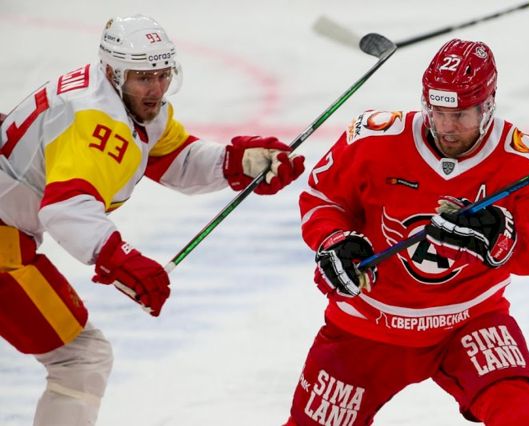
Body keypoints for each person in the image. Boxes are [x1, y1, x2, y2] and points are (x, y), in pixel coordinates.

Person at [0, 14, 304, 426]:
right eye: (144, 77)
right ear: (114, 72)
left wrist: (239, 162)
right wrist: (120, 258)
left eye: (163, 75)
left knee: (82, 357)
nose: (156, 89)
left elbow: (174, 158)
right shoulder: (96, 121)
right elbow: (65, 207)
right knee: (81, 359)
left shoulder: (118, 97)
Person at [285, 38, 529, 426]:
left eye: (460, 114)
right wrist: (334, 240)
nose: (446, 127)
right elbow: (323, 197)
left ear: (488, 105)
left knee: (523, 417)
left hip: (470, 322)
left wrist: (504, 236)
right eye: (437, 111)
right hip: (367, 324)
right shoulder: (374, 139)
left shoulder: (524, 160)